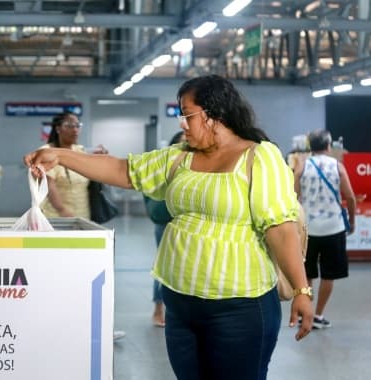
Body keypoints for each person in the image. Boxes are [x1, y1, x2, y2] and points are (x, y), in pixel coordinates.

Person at [25, 75, 313, 379]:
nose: (182, 124)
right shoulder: (179, 158)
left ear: (214, 114)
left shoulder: (259, 157)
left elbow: (281, 229)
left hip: (239, 308)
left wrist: (301, 290)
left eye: (188, 115)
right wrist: (60, 155)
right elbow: (122, 169)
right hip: (180, 304)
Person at [40, 112, 126, 341]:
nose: (76, 129)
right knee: (61, 277)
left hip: (86, 223)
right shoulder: (47, 152)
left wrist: (104, 159)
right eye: (70, 125)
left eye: (78, 125)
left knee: (92, 277)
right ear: (58, 127)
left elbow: (99, 171)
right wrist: (64, 213)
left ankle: (98, 327)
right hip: (58, 224)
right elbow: (50, 187)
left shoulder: (79, 152)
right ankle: (59, 325)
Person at [294, 129, 356, 329]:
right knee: (329, 275)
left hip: (309, 229)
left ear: (310, 146)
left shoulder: (302, 166)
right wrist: (351, 221)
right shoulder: (337, 166)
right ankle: (319, 315)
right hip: (333, 228)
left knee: (308, 274)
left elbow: (292, 198)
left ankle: (307, 314)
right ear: (328, 145)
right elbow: (351, 197)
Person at [144, 131, 186, 328]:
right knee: (163, 264)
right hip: (166, 223)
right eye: (181, 143)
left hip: (187, 224)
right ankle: (158, 308)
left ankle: (174, 309)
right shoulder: (165, 167)